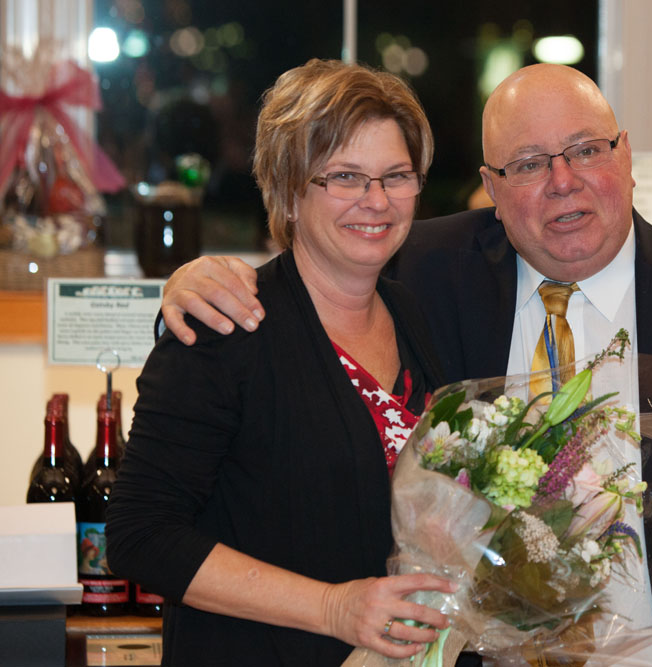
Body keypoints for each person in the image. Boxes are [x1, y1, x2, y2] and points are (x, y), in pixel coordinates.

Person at [158, 64, 652, 666]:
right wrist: (192, 286)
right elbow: (311, 269)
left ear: (626, 154)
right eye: (527, 163)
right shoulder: (424, 272)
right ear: (490, 185)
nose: (563, 182)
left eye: (585, 150)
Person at [105, 59, 458, 666]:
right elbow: (141, 537)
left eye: (396, 175)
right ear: (290, 190)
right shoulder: (225, 326)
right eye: (345, 177)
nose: (376, 200)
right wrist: (333, 608)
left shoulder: (414, 315)